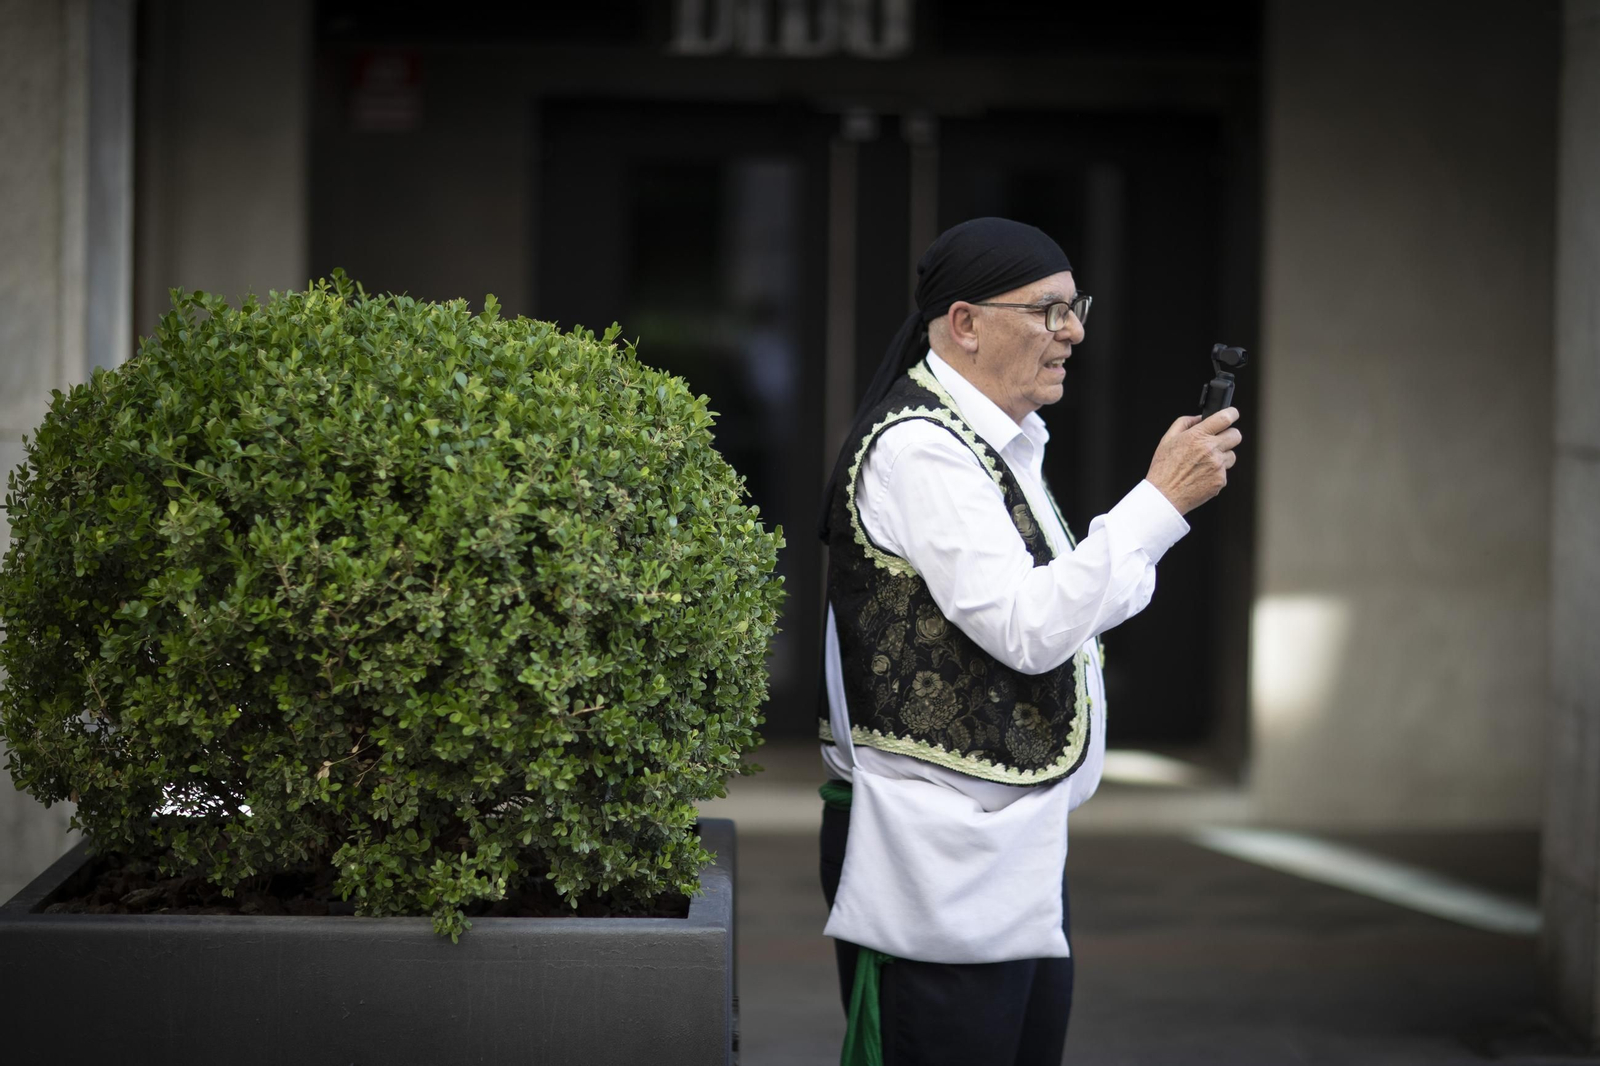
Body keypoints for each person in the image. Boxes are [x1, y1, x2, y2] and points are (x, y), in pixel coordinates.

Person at [816, 217, 1242, 1065]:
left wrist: (1148, 521)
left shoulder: (999, 442)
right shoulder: (922, 449)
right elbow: (1028, 629)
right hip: (935, 851)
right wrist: (1157, 504)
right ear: (966, 322)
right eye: (1048, 309)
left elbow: (1067, 606)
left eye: (1073, 307)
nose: (1074, 330)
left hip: (1007, 842)